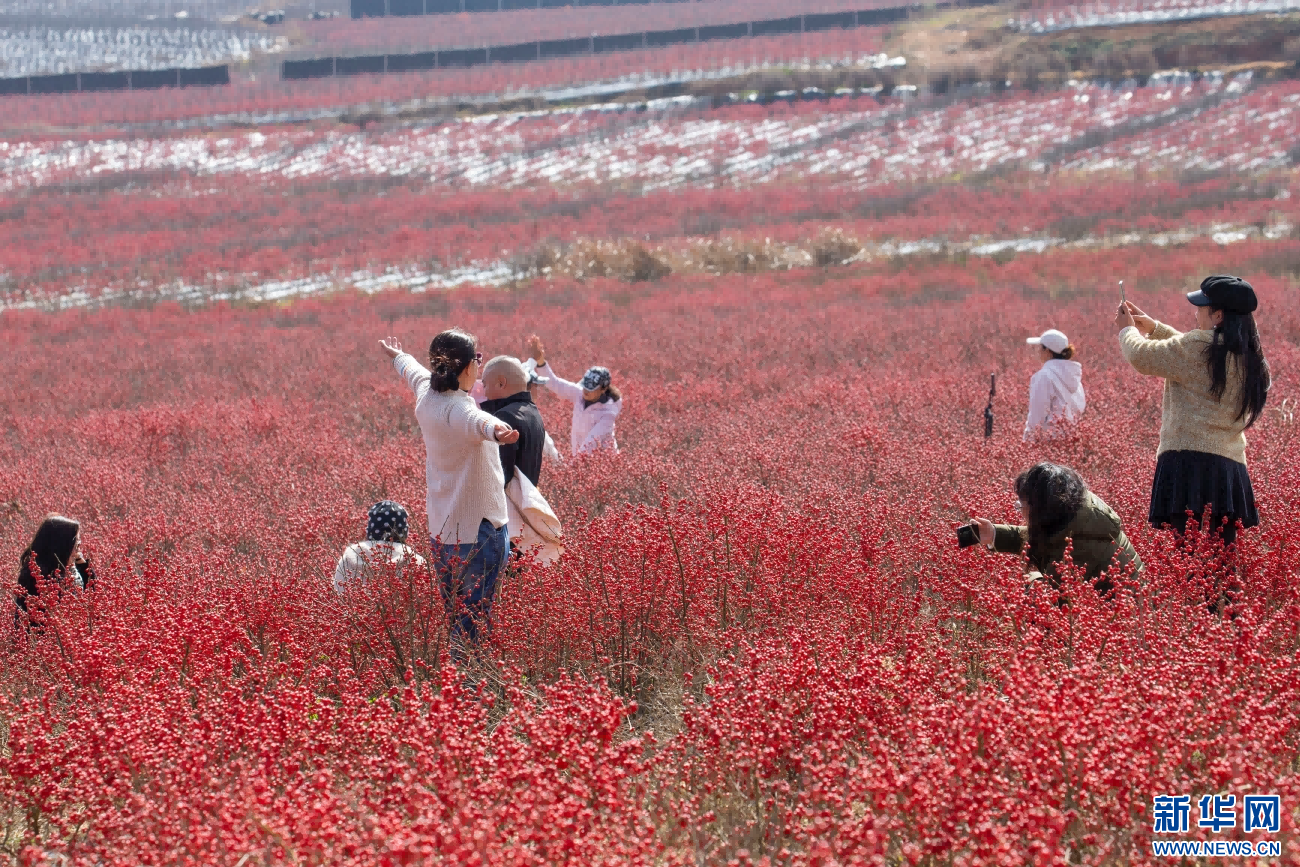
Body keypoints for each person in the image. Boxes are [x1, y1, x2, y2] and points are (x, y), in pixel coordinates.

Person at [379, 329, 519, 653]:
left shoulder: (426, 392)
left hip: (442, 532)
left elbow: (412, 369)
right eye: (477, 360)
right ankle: (469, 681)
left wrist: (397, 355)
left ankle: (458, 679)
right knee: (474, 626)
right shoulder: (457, 409)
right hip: (477, 532)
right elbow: (478, 421)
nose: (479, 366)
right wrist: (498, 431)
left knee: (458, 618)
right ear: (467, 367)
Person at [1116, 275, 1270, 545]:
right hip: (1229, 470)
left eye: (1201, 308)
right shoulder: (1250, 356)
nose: (1196, 313)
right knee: (1221, 558)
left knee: (1189, 557)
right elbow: (1196, 357)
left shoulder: (1199, 347)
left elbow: (1142, 356)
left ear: (1218, 315)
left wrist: (1127, 330)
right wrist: (1155, 328)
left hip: (1189, 465)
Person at [966, 462, 1141, 593]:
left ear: (1040, 508)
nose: (1020, 512)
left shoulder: (1080, 545)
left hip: (1126, 618)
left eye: (1021, 506)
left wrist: (1033, 580)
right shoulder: (1076, 510)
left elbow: (1053, 599)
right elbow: (1048, 536)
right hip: (1123, 606)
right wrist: (994, 534)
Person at [525, 334, 622, 456]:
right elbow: (555, 384)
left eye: (591, 389)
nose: (586, 391)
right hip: (581, 460)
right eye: (585, 386)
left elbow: (590, 443)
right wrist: (540, 362)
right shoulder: (580, 394)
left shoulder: (608, 414)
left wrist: (573, 463)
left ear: (603, 389)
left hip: (602, 460)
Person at [479, 356, 546, 488]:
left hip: (507, 499)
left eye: (485, 385)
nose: (484, 392)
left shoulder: (505, 416)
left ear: (501, 383)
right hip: (525, 496)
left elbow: (499, 476)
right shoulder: (533, 412)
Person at [333, 501, 426, 593]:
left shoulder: (347, 560)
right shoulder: (415, 561)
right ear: (404, 531)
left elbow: (338, 592)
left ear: (370, 529)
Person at [15, 514, 93, 623]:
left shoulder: (73, 569)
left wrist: (84, 565)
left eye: (79, 545)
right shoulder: (37, 578)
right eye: (76, 545)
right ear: (62, 547)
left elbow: (94, 597)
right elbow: (37, 622)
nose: (78, 551)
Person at [1023, 328, 1085, 440]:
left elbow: (1037, 416)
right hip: (1072, 439)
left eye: (1040, 347)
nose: (1037, 351)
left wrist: (1027, 439)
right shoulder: (1074, 377)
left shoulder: (1044, 376)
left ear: (1047, 351)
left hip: (1049, 440)